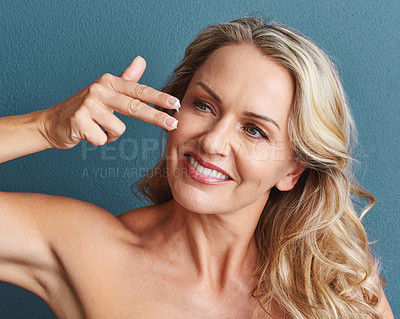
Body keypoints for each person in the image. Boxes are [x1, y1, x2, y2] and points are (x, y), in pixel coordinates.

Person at [0, 17, 394, 319]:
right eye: (203, 106)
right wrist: (44, 127)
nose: (212, 141)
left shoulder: (343, 296)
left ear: (292, 171)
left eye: (254, 130)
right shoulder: (89, 249)